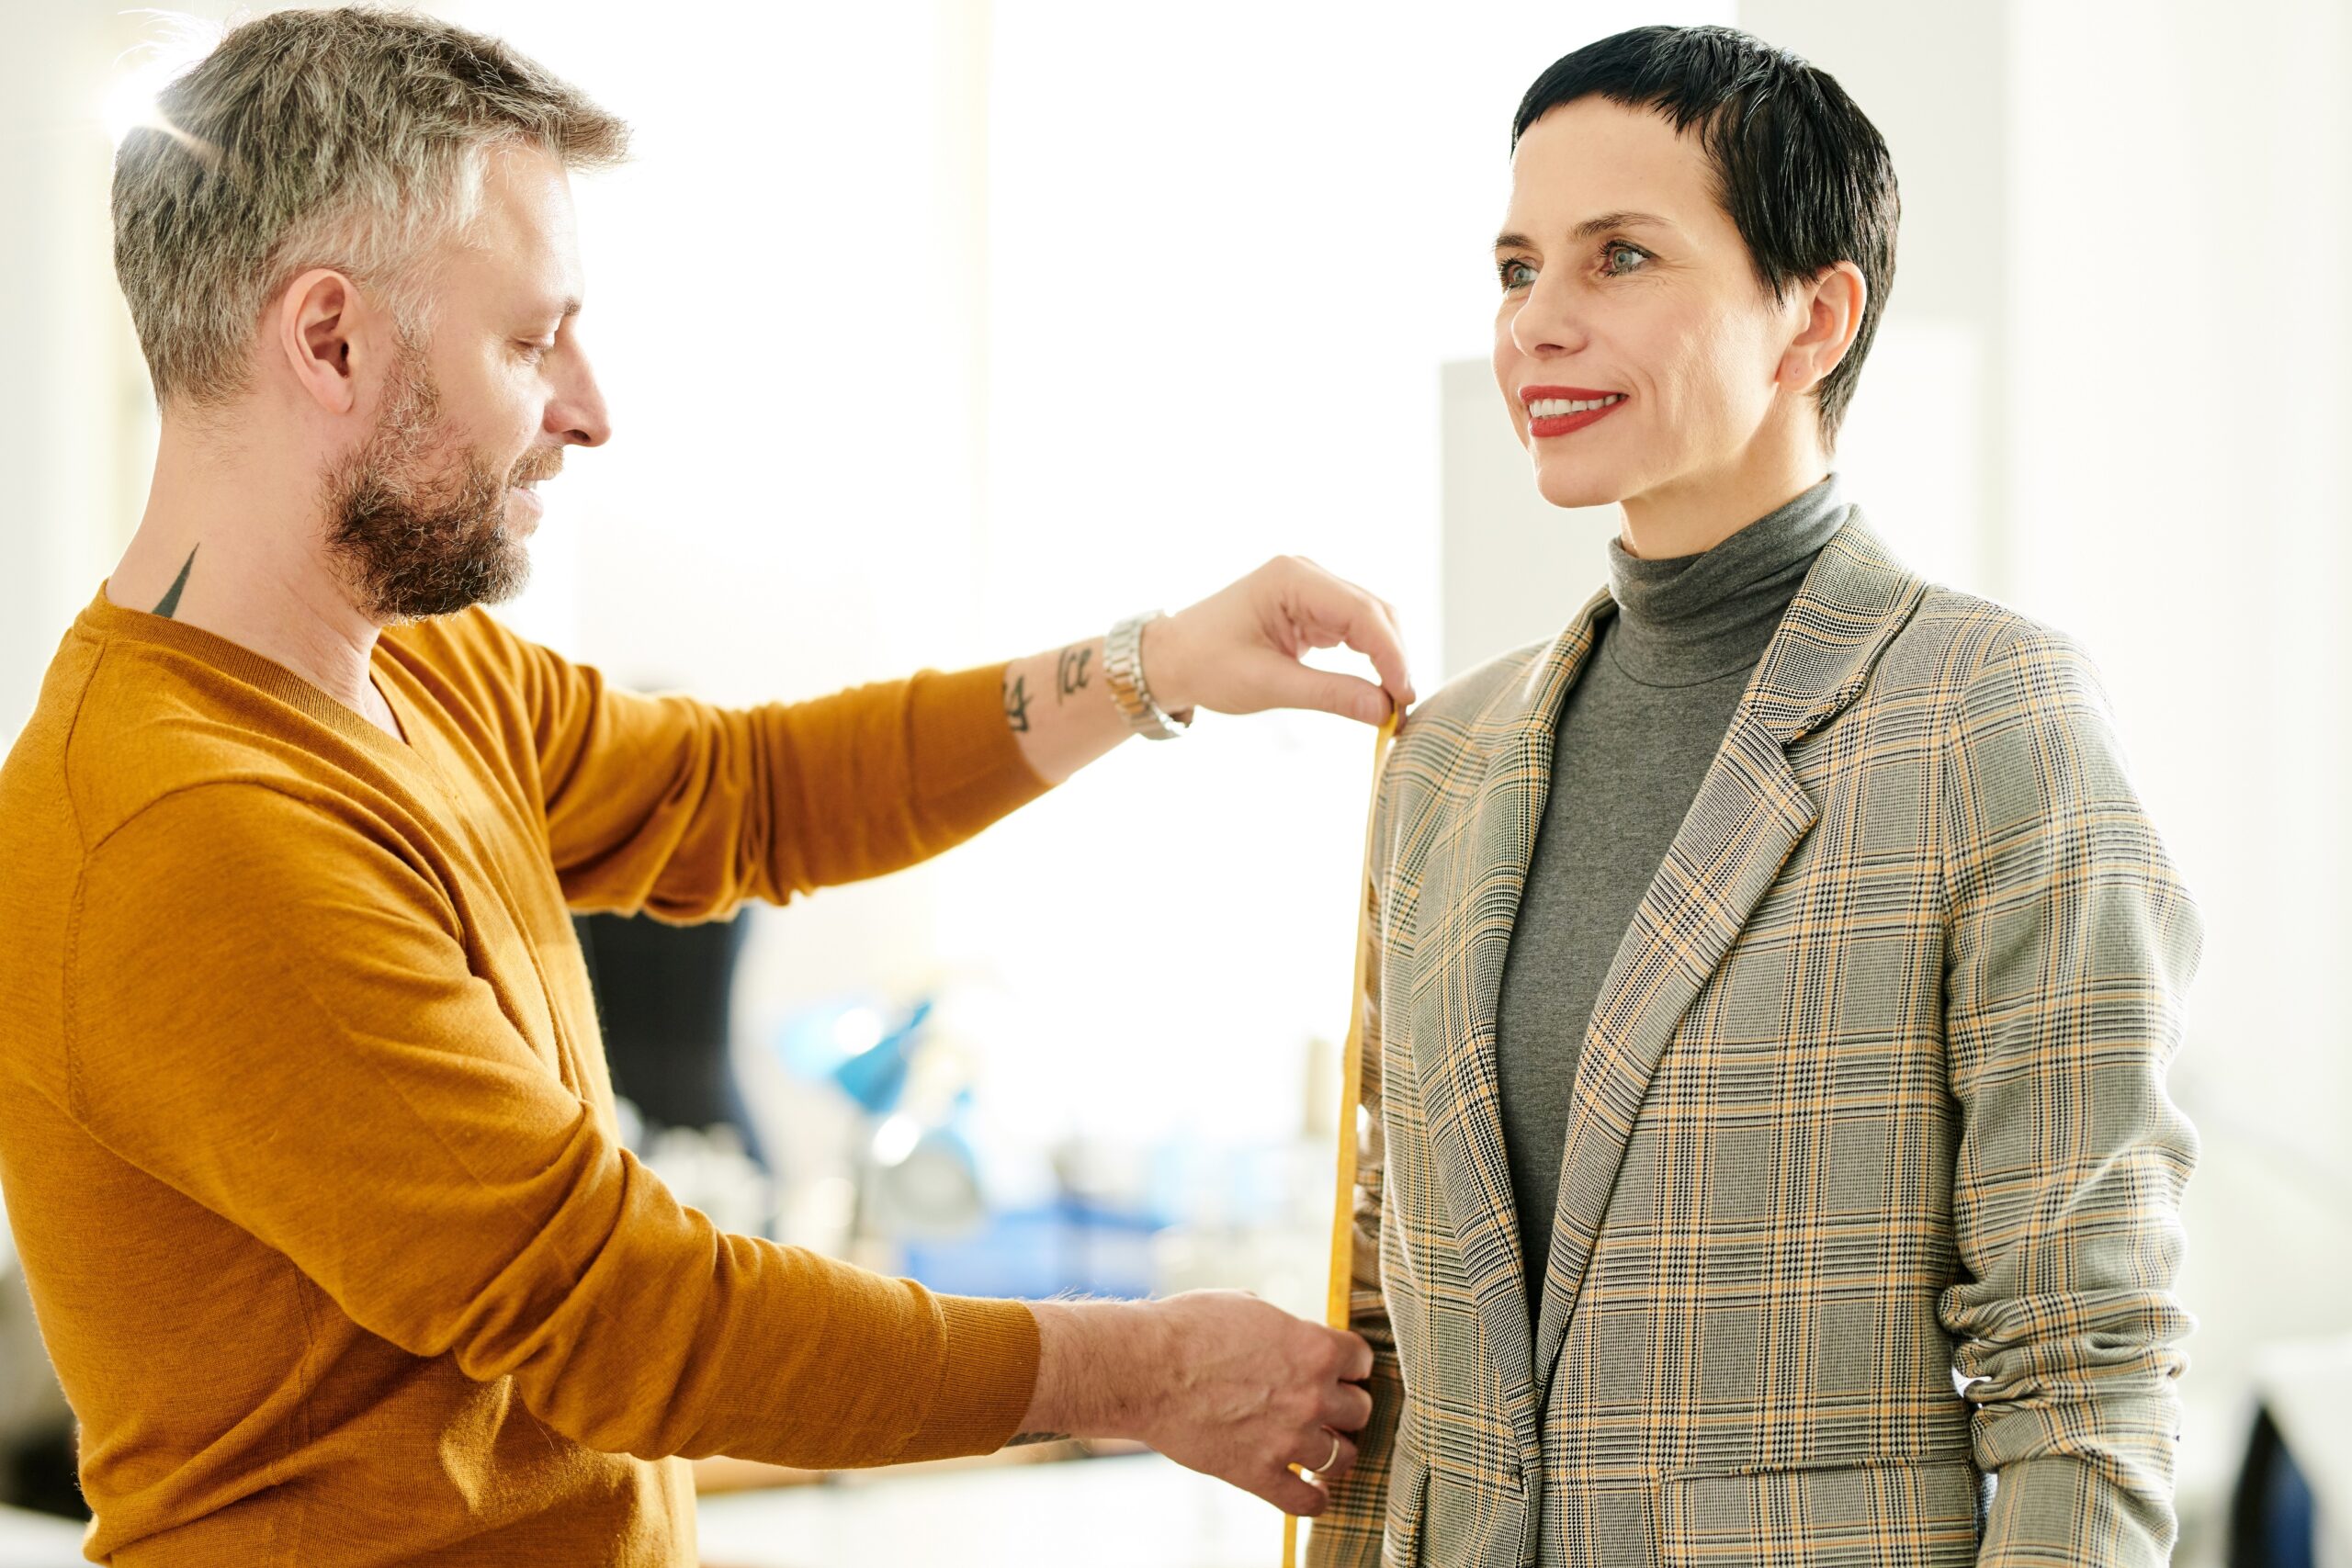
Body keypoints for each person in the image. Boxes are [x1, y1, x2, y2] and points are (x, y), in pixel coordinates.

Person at [0, 9, 1411, 1564]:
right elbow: (626, 1317)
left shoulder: (415, 673)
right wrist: (1141, 1371)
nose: (590, 407)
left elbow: (744, 793)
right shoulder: (189, 832)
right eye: (531, 342)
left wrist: (1154, 664)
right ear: (327, 340)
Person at [1308, 25, 2200, 1568]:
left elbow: (2084, 1369)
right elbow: (1393, 1328)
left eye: (1620, 259)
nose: (1538, 326)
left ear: (1814, 319)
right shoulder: (1442, 760)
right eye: (1520, 268)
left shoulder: (1993, 720)